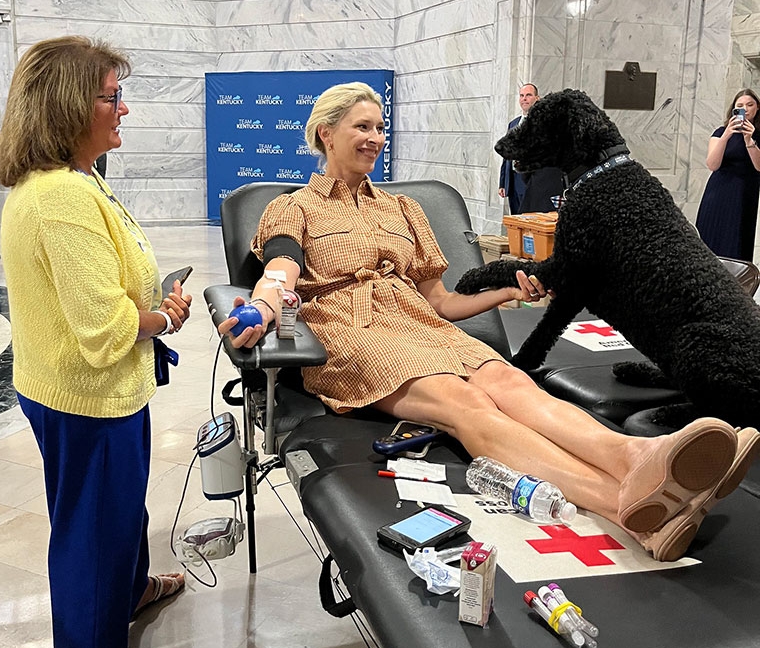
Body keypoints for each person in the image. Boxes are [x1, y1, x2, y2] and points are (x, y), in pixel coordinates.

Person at [219, 81, 755, 563]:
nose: (375, 137)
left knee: (513, 383)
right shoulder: (293, 207)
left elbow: (442, 303)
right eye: (362, 126)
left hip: (421, 325)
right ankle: (624, 503)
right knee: (466, 404)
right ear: (325, 134)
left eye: (380, 127)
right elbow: (282, 269)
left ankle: (642, 457)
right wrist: (266, 306)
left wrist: (505, 290)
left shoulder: (403, 208)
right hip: (353, 330)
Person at [0, 36, 192, 648]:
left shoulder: (72, 180)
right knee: (91, 539)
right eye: (114, 97)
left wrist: (151, 305)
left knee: (113, 515)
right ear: (71, 106)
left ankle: (129, 591)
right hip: (90, 397)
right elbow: (106, 329)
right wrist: (165, 314)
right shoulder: (62, 195)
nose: (123, 109)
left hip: (78, 388)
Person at [695, 88, 760, 262]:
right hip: (718, 191)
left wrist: (749, 140)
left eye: (750, 105)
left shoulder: (757, 135)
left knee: (737, 240)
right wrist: (726, 135)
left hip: (744, 192)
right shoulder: (720, 132)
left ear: (757, 108)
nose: (745, 109)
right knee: (711, 237)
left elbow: (759, 167)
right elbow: (712, 164)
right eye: (740, 106)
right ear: (733, 110)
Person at [498, 83, 537, 214]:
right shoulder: (513, 124)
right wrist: (503, 182)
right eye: (521, 95)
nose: (524, 99)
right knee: (514, 220)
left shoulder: (540, 123)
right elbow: (506, 155)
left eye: (528, 95)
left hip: (529, 181)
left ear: (537, 98)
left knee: (527, 221)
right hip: (512, 182)